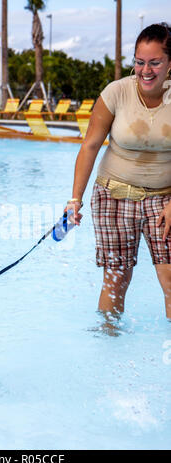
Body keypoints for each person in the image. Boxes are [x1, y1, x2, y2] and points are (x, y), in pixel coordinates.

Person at [66, 23, 171, 320]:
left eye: (155, 62)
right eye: (139, 62)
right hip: (114, 195)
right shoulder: (116, 93)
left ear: (169, 63)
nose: (145, 70)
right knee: (116, 280)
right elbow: (89, 146)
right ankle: (108, 346)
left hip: (164, 200)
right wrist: (75, 200)